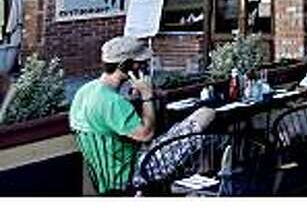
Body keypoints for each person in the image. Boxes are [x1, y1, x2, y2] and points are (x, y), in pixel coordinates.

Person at [69, 36, 215, 193]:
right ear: (124, 66)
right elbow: (146, 134)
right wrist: (147, 95)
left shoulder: (85, 91)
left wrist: (139, 97)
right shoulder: (112, 102)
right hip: (136, 171)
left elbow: (113, 126)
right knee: (206, 114)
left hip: (109, 175)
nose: (144, 66)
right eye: (139, 62)